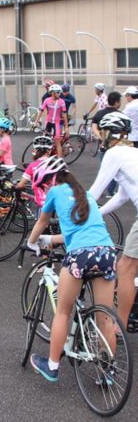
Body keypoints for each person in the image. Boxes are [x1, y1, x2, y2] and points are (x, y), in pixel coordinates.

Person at [27, 156, 116, 382]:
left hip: (79, 256)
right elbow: (76, 232)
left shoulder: (55, 192)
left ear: (50, 180)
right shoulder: (84, 195)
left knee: (63, 313)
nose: (44, 190)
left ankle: (52, 366)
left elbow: (41, 222)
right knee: (105, 317)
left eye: (44, 185)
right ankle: (108, 373)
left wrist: (32, 242)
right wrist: (50, 239)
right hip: (106, 251)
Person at [89, 111, 138, 328]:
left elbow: (94, 193)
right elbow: (122, 196)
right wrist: (97, 214)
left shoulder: (114, 153)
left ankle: (119, 326)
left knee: (125, 268)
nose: (100, 136)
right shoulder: (131, 153)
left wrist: (72, 215)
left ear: (109, 133)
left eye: (102, 132)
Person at [91, 91, 122, 197]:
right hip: (116, 147)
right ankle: (110, 191)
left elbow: (94, 127)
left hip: (103, 146)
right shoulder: (120, 115)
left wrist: (100, 137)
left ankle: (96, 192)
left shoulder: (100, 113)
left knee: (103, 170)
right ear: (117, 102)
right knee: (115, 170)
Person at [36, 84, 68, 158]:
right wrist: (36, 122)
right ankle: (44, 157)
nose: (59, 94)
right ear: (52, 93)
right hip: (48, 122)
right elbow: (41, 111)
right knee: (44, 140)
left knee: (57, 141)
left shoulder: (62, 102)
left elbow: (64, 114)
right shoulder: (47, 100)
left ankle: (60, 160)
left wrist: (66, 127)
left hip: (56, 123)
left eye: (59, 92)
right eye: (57, 92)